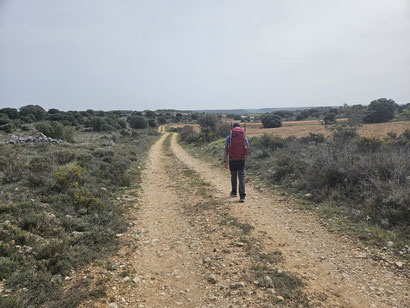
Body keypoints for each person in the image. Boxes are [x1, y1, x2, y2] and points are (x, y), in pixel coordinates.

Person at [224, 123, 249, 202]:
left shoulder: (229, 137)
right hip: (241, 159)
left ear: (233, 129)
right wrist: (244, 157)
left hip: (232, 159)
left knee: (233, 176)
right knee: (241, 177)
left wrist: (225, 161)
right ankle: (242, 196)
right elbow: (247, 147)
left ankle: (234, 192)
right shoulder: (244, 137)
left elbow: (226, 150)